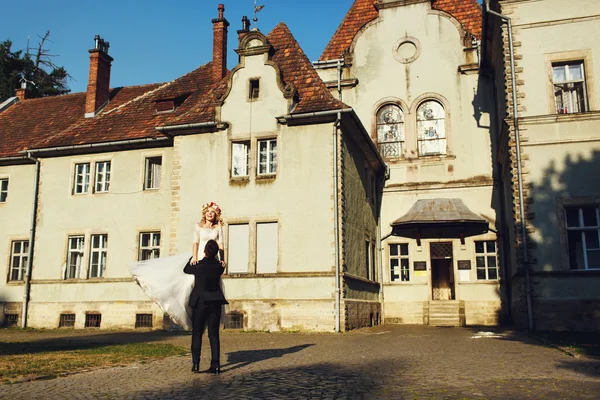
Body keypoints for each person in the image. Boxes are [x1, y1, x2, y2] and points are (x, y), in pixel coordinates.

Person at [128, 201, 226, 331]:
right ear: (204, 213)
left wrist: (223, 259)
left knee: (213, 285)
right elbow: (195, 242)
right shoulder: (198, 226)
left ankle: (208, 315)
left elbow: (221, 244)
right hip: (201, 256)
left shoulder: (218, 228)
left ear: (216, 215)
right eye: (208, 211)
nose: (210, 214)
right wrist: (195, 256)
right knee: (188, 283)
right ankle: (187, 311)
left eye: (212, 212)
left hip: (213, 258)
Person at [184, 239, 228, 374]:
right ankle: (216, 365)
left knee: (197, 333)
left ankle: (196, 364)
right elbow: (222, 265)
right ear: (215, 253)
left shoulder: (198, 266)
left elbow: (186, 269)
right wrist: (222, 259)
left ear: (204, 251)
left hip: (200, 302)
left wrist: (194, 256)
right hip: (215, 302)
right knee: (214, 335)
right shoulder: (219, 266)